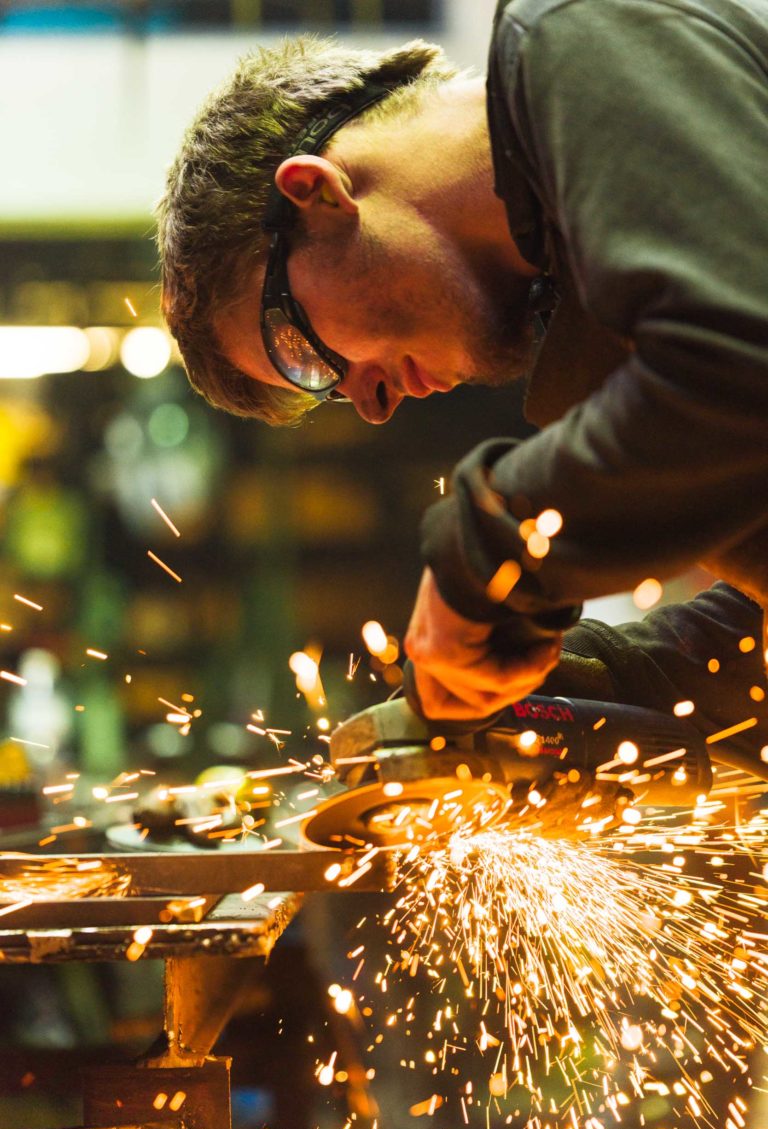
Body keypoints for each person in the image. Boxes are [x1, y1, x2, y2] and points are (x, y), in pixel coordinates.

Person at [156, 0, 768, 770]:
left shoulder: (587, 35)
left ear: (316, 191)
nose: (371, 402)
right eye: (325, 390)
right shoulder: (592, 339)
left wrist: (493, 546)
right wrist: (584, 686)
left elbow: (739, 362)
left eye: (301, 352)